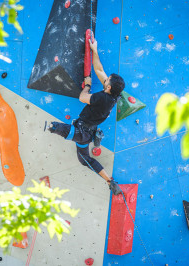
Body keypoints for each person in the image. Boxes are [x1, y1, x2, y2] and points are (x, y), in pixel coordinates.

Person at [46, 38, 125, 195]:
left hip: (82, 132)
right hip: (88, 134)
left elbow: (83, 98)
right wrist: (94, 50)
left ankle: (52, 127)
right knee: (84, 160)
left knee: (62, 129)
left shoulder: (103, 98)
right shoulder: (114, 95)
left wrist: (88, 85)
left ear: (108, 87)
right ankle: (110, 181)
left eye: (107, 79)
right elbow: (99, 69)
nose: (105, 77)